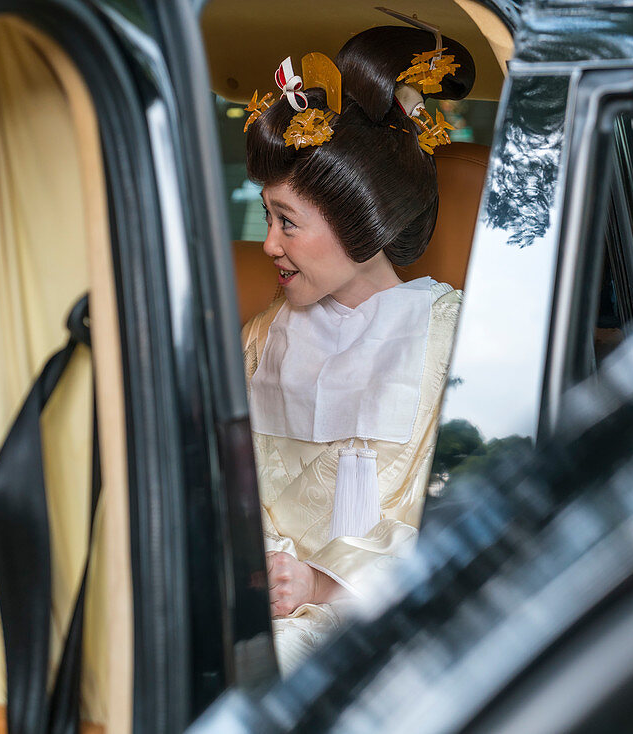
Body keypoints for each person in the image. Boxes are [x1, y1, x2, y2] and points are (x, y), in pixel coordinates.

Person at [242, 26, 475, 672]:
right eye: (266, 216)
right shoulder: (263, 336)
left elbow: (451, 522)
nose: (268, 243)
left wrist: (320, 582)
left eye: (286, 220)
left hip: (376, 628)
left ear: (360, 221)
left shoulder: (449, 338)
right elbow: (220, 478)